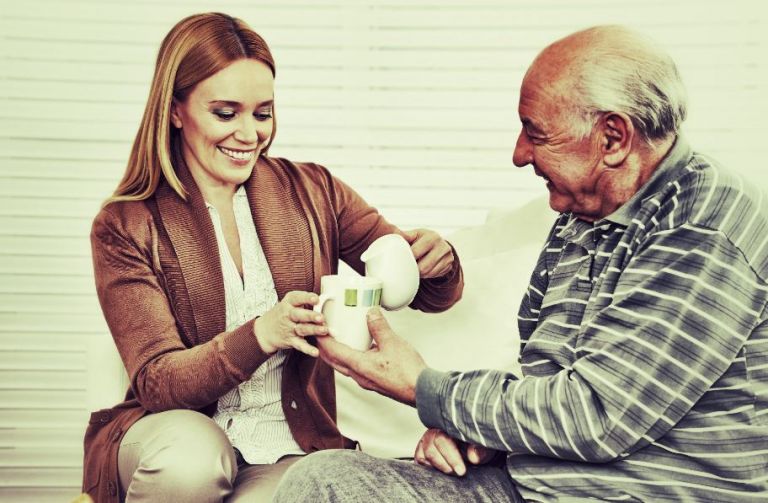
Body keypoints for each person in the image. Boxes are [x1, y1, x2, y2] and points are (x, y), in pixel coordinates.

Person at [272, 25, 768, 502]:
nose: (518, 154)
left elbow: (598, 416)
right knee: (325, 483)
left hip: (642, 492)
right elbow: (541, 380)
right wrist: (479, 437)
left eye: (536, 132)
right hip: (535, 483)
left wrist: (422, 388)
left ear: (613, 138)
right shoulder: (581, 214)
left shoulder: (704, 226)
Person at [82, 12, 464, 503]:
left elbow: (416, 284)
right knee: (192, 461)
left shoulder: (313, 191)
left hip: (283, 448)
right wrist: (262, 334)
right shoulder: (126, 224)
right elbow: (158, 383)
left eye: (262, 113)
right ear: (175, 110)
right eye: (225, 113)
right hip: (170, 435)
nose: (249, 134)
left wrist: (437, 261)